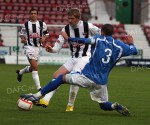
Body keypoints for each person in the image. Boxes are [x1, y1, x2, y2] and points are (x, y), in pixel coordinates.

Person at [20, 24, 138, 116]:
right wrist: (131, 42)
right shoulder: (121, 47)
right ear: (112, 33)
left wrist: (68, 38)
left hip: (87, 76)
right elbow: (134, 50)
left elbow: (83, 41)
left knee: (61, 78)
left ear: (102, 32)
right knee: (103, 105)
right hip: (101, 82)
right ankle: (114, 106)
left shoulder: (98, 39)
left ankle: (37, 96)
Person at [38, 8, 100, 111]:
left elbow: (101, 35)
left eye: (72, 18)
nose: (69, 21)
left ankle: (70, 105)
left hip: (85, 58)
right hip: (73, 58)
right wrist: (51, 49)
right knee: (56, 75)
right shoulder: (65, 30)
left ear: (78, 18)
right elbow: (57, 47)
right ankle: (46, 100)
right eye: (68, 18)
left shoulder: (87, 26)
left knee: (74, 78)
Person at [16, 9, 49, 92]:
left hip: (39, 48)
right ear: (29, 15)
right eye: (32, 13)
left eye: (35, 13)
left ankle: (20, 72)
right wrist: (23, 38)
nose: (33, 15)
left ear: (37, 15)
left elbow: (47, 34)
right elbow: (21, 34)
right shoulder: (26, 25)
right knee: (35, 67)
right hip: (29, 47)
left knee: (33, 67)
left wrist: (44, 38)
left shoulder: (42, 24)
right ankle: (39, 89)